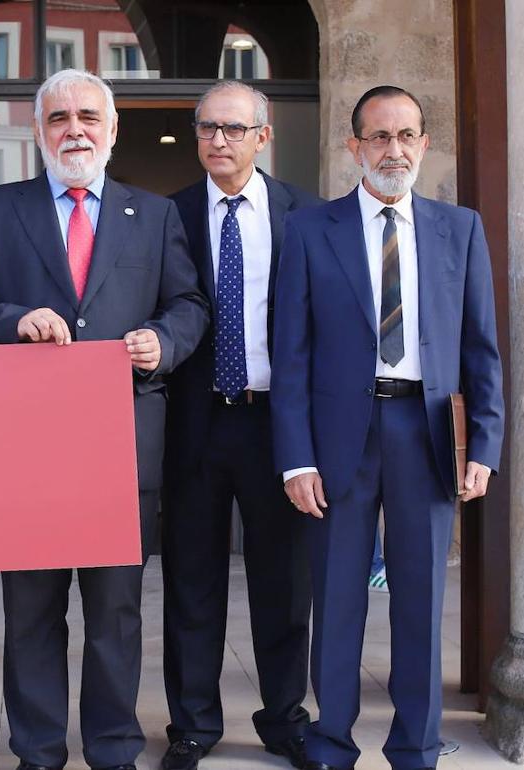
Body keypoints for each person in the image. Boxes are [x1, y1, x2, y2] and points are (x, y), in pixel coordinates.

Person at [0, 68, 208, 770]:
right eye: (59, 118)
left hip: (123, 447)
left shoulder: (152, 215)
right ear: (38, 131)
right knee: (31, 612)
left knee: (116, 614)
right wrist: (11, 319)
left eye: (89, 116)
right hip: (26, 451)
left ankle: (115, 746)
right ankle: (36, 748)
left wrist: (165, 341)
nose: (75, 129)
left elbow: (188, 305)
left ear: (113, 130)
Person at [271, 85, 504, 770]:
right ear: (354, 147)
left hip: (425, 432)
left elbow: (481, 348)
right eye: (378, 136)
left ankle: (416, 749)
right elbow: (292, 355)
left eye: (406, 135)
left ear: (424, 144)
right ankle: (331, 744)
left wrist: (483, 445)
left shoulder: (458, 230)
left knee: (420, 604)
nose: (393, 149)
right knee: (337, 602)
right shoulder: (311, 230)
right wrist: (295, 459)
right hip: (340, 436)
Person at [159, 81, 319, 770]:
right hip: (193, 425)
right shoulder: (168, 216)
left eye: (232, 128)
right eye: (206, 128)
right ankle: (193, 726)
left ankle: (284, 720)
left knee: (283, 584)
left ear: (263, 136)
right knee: (191, 584)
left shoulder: (303, 217)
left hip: (275, 427)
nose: (217, 140)